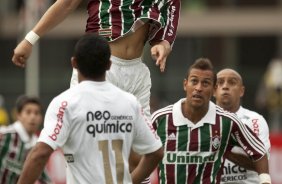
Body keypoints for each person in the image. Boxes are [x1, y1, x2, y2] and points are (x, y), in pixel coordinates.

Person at [16, 34, 163, 184]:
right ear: (109, 65)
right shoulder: (130, 102)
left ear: (74, 63)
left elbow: (40, 153)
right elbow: (156, 152)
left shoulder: (65, 103)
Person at [11, 0, 180, 120]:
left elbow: (171, 6)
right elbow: (66, 3)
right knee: (85, 138)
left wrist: (164, 43)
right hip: (98, 67)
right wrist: (30, 39)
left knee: (141, 150)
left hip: (137, 72)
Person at [151, 58, 271, 184]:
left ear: (213, 88)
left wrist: (265, 180)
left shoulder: (231, 121)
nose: (198, 88)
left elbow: (260, 153)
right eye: (194, 81)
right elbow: (140, 154)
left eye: (205, 83)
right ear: (185, 84)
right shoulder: (160, 119)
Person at [214, 68, 271, 184]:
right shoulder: (203, 120)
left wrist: (225, 149)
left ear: (241, 91)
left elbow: (261, 162)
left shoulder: (255, 120)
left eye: (232, 82)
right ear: (213, 91)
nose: (225, 86)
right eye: (220, 82)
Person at [0, 95, 50, 184]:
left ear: (41, 118)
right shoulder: (4, 136)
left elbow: (44, 179)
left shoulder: (38, 145)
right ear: (18, 115)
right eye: (28, 112)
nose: (33, 117)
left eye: (36, 113)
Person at [255, 58, 282, 132]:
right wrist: (261, 98)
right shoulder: (270, 74)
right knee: (274, 119)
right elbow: (264, 86)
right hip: (273, 103)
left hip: (275, 102)